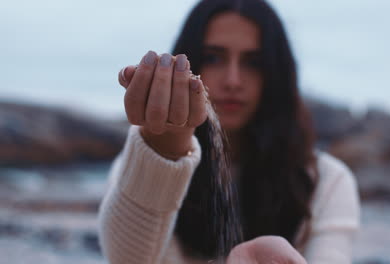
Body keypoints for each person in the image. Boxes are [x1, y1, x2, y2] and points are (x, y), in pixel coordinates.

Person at [98, 0, 360, 263]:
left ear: (275, 73)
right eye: (214, 57)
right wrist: (163, 150)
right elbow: (126, 259)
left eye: (253, 62)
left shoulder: (327, 182)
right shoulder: (131, 169)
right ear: (191, 61)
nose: (233, 80)